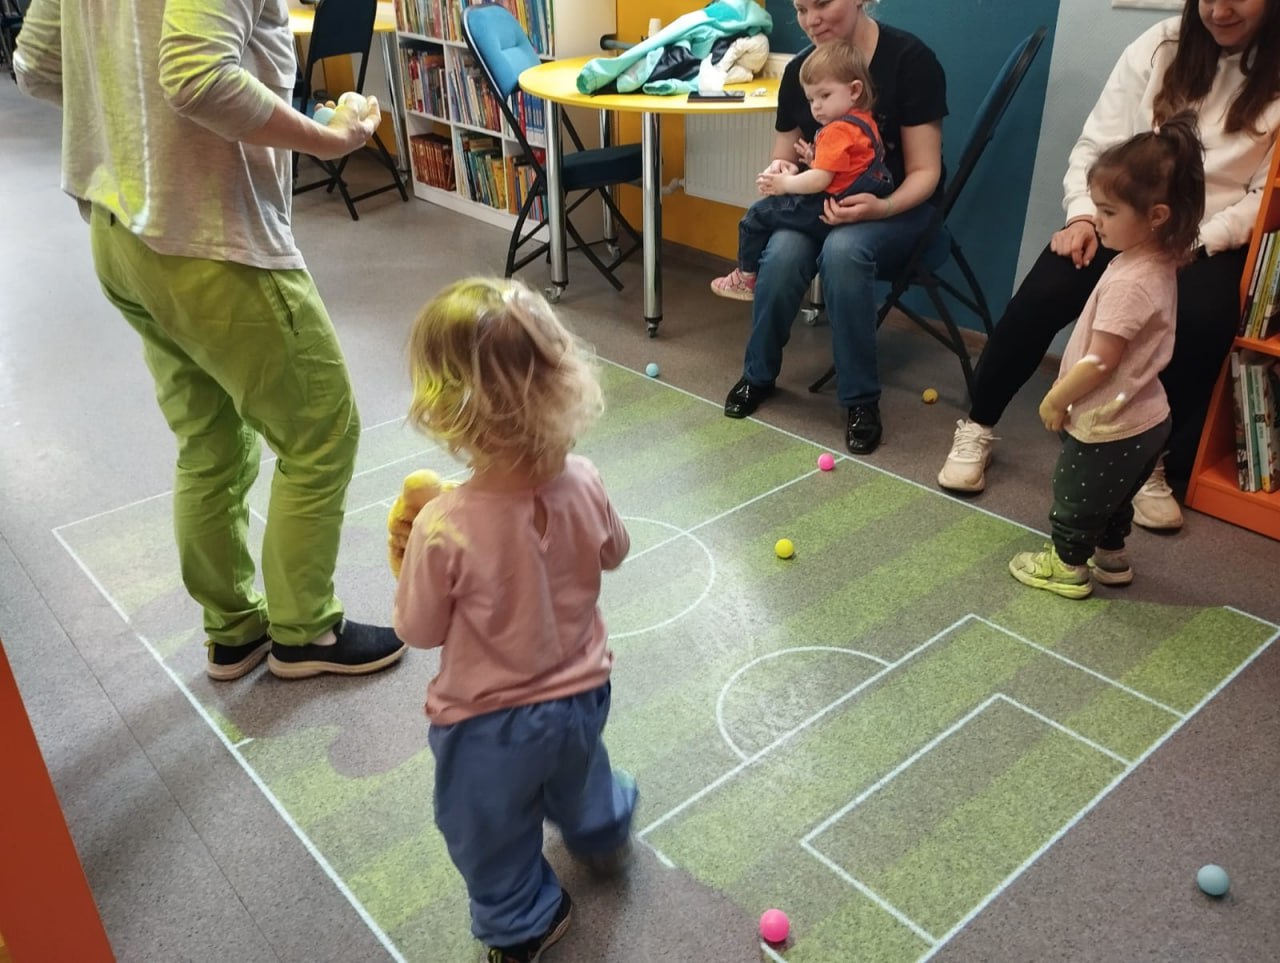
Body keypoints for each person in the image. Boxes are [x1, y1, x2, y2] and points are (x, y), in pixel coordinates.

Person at [15, 2, 407, 680]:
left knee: (210, 440)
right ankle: (305, 632)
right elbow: (197, 77)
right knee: (320, 431)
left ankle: (233, 631)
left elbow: (37, 63)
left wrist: (130, 124)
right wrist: (324, 139)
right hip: (207, 234)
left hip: (120, 228)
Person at [939, 0, 1280, 532]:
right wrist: (1082, 214)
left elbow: (1263, 195)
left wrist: (1196, 242)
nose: (1218, 10)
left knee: (1204, 321)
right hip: (1120, 218)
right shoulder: (1161, 44)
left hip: (1203, 237)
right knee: (1042, 294)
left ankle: (1150, 463)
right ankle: (979, 422)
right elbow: (1098, 143)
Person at [392, 278, 637, 963]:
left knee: (487, 827)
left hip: (488, 723)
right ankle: (601, 826)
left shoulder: (443, 523)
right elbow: (615, 551)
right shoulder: (585, 477)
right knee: (578, 770)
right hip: (584, 691)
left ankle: (523, 921)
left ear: (448, 408)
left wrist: (409, 555)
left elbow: (419, 629)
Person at [722, 0, 947, 456]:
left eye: (822, 3)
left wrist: (881, 207)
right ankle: (757, 374)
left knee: (844, 251)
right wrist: (783, 168)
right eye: (801, 8)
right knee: (782, 253)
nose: (811, 20)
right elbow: (783, 153)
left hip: (898, 209)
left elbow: (926, 172)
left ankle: (860, 399)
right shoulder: (800, 72)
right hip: (822, 203)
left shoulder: (910, 60)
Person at [1009, 115, 1205, 599]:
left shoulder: (1131, 282)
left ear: (1156, 215)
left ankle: (1067, 566)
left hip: (1109, 422)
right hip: (1147, 418)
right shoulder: (1157, 260)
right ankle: (1111, 557)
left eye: (1109, 211)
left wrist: (1056, 398)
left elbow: (1101, 361)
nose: (1096, 220)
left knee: (1076, 495)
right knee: (1115, 496)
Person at [710, 39, 893, 300]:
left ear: (854, 90)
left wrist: (783, 185)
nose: (816, 106)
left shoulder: (836, 131)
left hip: (825, 206)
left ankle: (746, 277)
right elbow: (849, 166)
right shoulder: (863, 122)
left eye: (824, 96)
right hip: (850, 202)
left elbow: (820, 180)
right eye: (811, 99)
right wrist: (814, 159)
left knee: (756, 216)